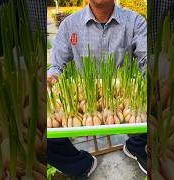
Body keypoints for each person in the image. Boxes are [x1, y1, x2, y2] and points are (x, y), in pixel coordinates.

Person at [47, 0, 148, 178]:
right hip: (82, 98)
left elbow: (146, 61)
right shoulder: (69, 24)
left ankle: (137, 147)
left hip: (121, 98)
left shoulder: (135, 22)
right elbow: (56, 66)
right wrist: (52, 77)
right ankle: (79, 164)